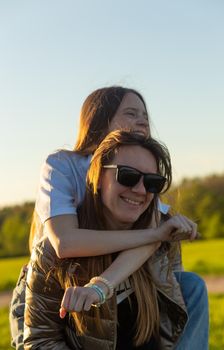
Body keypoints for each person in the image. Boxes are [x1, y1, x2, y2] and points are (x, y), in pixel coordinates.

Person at [9, 86, 208, 349]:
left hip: (111, 275)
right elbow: (64, 243)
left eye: (145, 116)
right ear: (98, 119)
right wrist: (157, 234)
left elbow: (153, 235)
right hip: (56, 277)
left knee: (190, 285)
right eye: (130, 113)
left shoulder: (140, 173)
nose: (142, 121)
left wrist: (162, 233)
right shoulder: (64, 164)